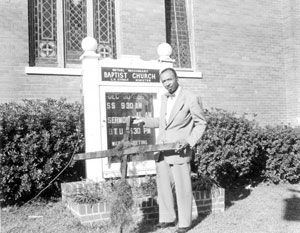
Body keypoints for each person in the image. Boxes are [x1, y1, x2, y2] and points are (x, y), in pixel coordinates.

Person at [134, 67, 206, 233]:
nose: (167, 84)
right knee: (163, 186)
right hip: (162, 150)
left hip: (180, 151)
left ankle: (185, 223)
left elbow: (201, 123)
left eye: (169, 79)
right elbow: (163, 122)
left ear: (176, 78)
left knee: (183, 188)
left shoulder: (190, 97)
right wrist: (143, 121)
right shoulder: (164, 98)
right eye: (164, 81)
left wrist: (188, 141)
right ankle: (167, 218)